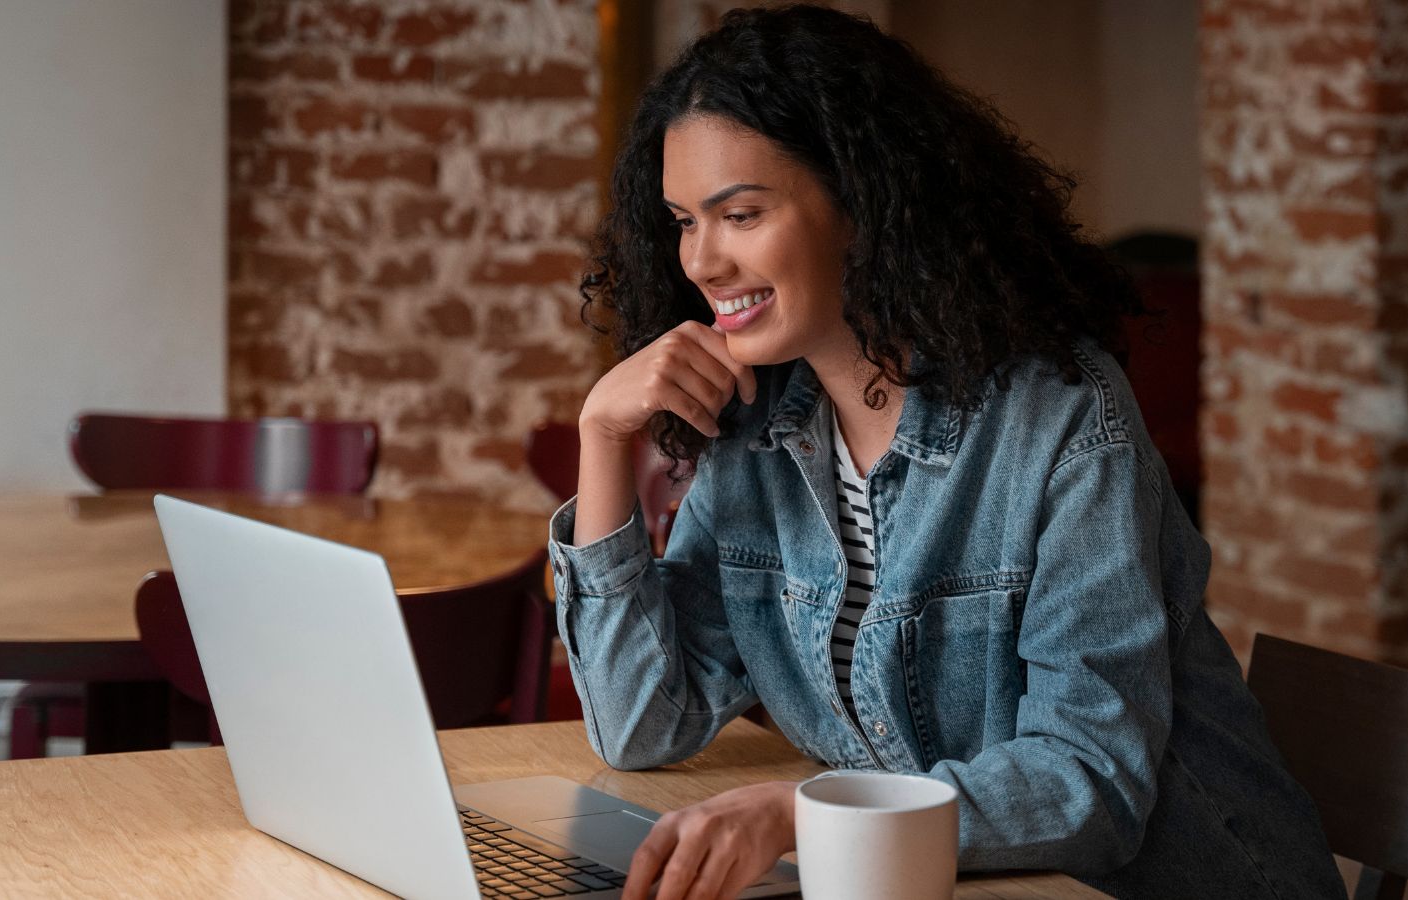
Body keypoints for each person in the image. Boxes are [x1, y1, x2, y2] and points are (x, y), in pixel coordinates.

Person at [548, 6, 1347, 899]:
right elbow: (640, 726)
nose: (701, 260)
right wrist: (603, 438)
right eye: (683, 221)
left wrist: (803, 815)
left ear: (860, 201)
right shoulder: (758, 429)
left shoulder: (1063, 420)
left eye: (739, 214)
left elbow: (1088, 781)